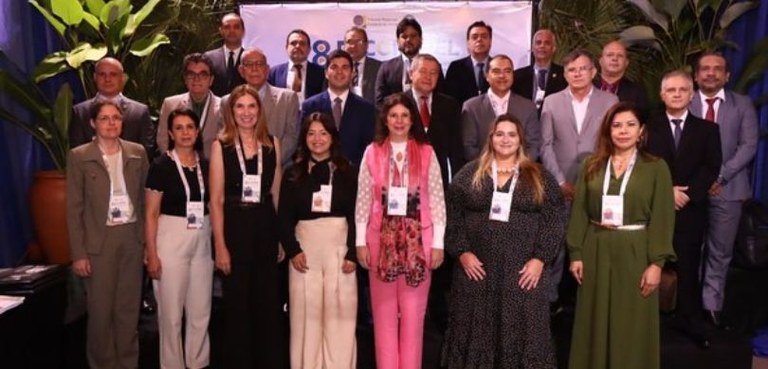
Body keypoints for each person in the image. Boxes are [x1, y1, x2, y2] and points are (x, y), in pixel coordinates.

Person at [442, 114, 565, 369]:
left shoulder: (539, 176)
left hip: (522, 275)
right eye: (500, 134)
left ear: (520, 139)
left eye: (511, 134)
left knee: (524, 334)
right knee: (475, 333)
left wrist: (540, 259)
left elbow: (554, 222)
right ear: (491, 138)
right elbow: (451, 217)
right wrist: (462, 252)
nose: (505, 139)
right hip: (477, 274)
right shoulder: (469, 174)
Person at [567, 102, 676, 369]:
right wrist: (576, 253)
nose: (623, 131)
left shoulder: (656, 167)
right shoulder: (591, 165)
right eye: (616, 125)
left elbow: (663, 217)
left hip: (635, 251)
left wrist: (656, 264)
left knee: (631, 320)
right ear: (608, 130)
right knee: (593, 319)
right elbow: (579, 210)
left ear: (641, 131)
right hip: (595, 247)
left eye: (630, 125)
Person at [355, 93, 446, 369]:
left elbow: (438, 199)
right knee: (382, 317)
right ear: (385, 119)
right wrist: (360, 242)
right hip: (379, 241)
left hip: (419, 242)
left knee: (413, 317)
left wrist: (438, 243)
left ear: (412, 120)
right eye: (393, 115)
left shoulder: (427, 152)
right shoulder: (372, 152)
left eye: (404, 115)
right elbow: (362, 200)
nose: (399, 120)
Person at [67, 100, 149, 369]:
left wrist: (147, 243)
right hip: (98, 243)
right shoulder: (80, 156)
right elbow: (74, 208)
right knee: (101, 313)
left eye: (116, 118)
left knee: (127, 312)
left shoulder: (137, 152)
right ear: (93, 123)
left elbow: (145, 200)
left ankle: (127, 364)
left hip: (131, 239)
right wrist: (79, 253)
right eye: (104, 118)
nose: (111, 123)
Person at [209, 84, 285, 368]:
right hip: (235, 229)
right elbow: (215, 200)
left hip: (265, 227)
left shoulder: (272, 144)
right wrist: (220, 245)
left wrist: (280, 238)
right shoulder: (221, 146)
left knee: (267, 306)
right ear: (231, 112)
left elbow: (276, 194)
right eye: (239, 107)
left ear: (260, 110)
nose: (246, 113)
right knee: (237, 307)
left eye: (251, 106)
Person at [646, 70, 722, 349]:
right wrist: (667, 193)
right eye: (671, 90)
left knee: (689, 267)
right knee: (650, 264)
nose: (676, 94)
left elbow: (711, 166)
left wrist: (686, 195)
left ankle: (690, 321)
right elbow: (642, 165)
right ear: (661, 95)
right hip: (653, 209)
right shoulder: (647, 128)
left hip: (690, 209)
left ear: (692, 95)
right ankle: (647, 323)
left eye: (682, 90)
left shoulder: (708, 130)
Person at [279, 112, 358, 369]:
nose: (317, 139)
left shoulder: (348, 171)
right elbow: (284, 217)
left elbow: (359, 214)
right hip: (304, 253)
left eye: (323, 133)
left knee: (340, 318)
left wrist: (353, 254)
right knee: (306, 318)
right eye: (311, 133)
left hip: (340, 251)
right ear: (304, 138)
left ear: (332, 137)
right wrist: (292, 250)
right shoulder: (293, 173)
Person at [540, 49, 618, 311]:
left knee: (592, 242)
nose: (577, 74)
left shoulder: (610, 101)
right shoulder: (551, 102)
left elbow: (613, 142)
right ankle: (550, 301)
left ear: (593, 72)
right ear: (564, 74)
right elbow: (545, 145)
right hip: (559, 185)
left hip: (596, 183)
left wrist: (595, 180)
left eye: (583, 68)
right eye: (572, 70)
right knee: (557, 243)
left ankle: (589, 302)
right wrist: (560, 181)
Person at [690, 52, 759, 328]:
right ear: (695, 75)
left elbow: (748, 146)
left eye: (717, 69)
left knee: (720, 251)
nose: (710, 73)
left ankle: (711, 306)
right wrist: (701, 181)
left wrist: (719, 176)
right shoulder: (685, 101)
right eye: (705, 69)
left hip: (729, 189)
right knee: (690, 248)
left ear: (727, 76)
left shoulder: (742, 105)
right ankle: (689, 303)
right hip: (690, 190)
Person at [145, 108, 214, 369]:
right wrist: (151, 253)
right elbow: (151, 213)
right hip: (170, 238)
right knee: (171, 314)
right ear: (171, 133)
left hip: (202, 238)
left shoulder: (206, 165)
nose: (185, 133)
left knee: (200, 310)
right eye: (179, 128)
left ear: (197, 132)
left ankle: (198, 362)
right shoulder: (161, 166)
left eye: (190, 127)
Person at [222, 48, 300, 167]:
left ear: (267, 69)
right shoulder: (227, 101)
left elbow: (291, 137)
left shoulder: (287, 99)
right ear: (241, 71)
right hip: (238, 170)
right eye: (249, 64)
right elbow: (226, 137)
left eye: (259, 64)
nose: (254, 69)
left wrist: (268, 162)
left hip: (277, 169)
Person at [301, 49, 375, 167]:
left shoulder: (367, 109)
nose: (339, 72)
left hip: (353, 177)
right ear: (326, 73)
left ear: (353, 73)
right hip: (317, 174)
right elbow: (303, 144)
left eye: (345, 67)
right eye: (334, 67)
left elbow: (369, 148)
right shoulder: (310, 105)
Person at [70, 57, 155, 156]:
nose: (107, 79)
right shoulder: (80, 112)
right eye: (102, 74)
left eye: (113, 74)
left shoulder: (139, 112)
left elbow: (147, 150)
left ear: (122, 78)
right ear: (95, 77)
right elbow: (77, 151)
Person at [462, 54, 540, 162]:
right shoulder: (471, 107)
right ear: (487, 76)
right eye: (496, 71)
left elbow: (533, 145)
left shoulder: (528, 107)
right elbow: (468, 147)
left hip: (520, 173)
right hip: (482, 172)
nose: (502, 76)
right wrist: (492, 168)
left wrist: (515, 168)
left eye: (507, 71)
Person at [157, 53, 222, 159]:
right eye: (191, 74)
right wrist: (176, 164)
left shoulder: (224, 106)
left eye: (202, 74)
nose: (196, 79)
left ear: (211, 80)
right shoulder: (170, 104)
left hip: (212, 169)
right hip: (178, 168)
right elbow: (163, 140)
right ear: (185, 79)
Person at [375, 16, 444, 106]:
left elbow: (442, 97)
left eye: (413, 36)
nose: (408, 40)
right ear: (397, 40)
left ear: (421, 39)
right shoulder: (386, 68)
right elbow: (380, 102)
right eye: (404, 36)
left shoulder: (434, 66)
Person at [512, 29, 568, 111]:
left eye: (547, 43)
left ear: (553, 48)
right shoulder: (518, 76)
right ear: (532, 48)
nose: (542, 46)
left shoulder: (564, 75)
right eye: (538, 43)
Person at [268, 29, 326, 102]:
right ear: (286, 47)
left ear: (309, 49)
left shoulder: (320, 73)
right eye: (293, 43)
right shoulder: (274, 73)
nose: (298, 46)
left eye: (302, 43)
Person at [444, 21, 492, 106]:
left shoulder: (497, 67)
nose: (479, 40)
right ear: (468, 43)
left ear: (490, 42)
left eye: (484, 36)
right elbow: (450, 99)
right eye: (475, 37)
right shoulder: (456, 68)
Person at [594, 40, 649, 112]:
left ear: (626, 63)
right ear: (601, 61)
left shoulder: (637, 92)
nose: (615, 59)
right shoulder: (587, 87)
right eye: (610, 55)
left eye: (620, 56)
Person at [203, 12, 246, 97]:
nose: (232, 31)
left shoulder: (250, 59)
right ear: (221, 30)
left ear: (243, 31)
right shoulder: (208, 58)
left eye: (236, 27)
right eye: (227, 27)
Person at [343, 26, 382, 104]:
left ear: (366, 45)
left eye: (358, 41)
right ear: (344, 45)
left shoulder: (380, 68)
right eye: (350, 42)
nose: (353, 46)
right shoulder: (336, 69)